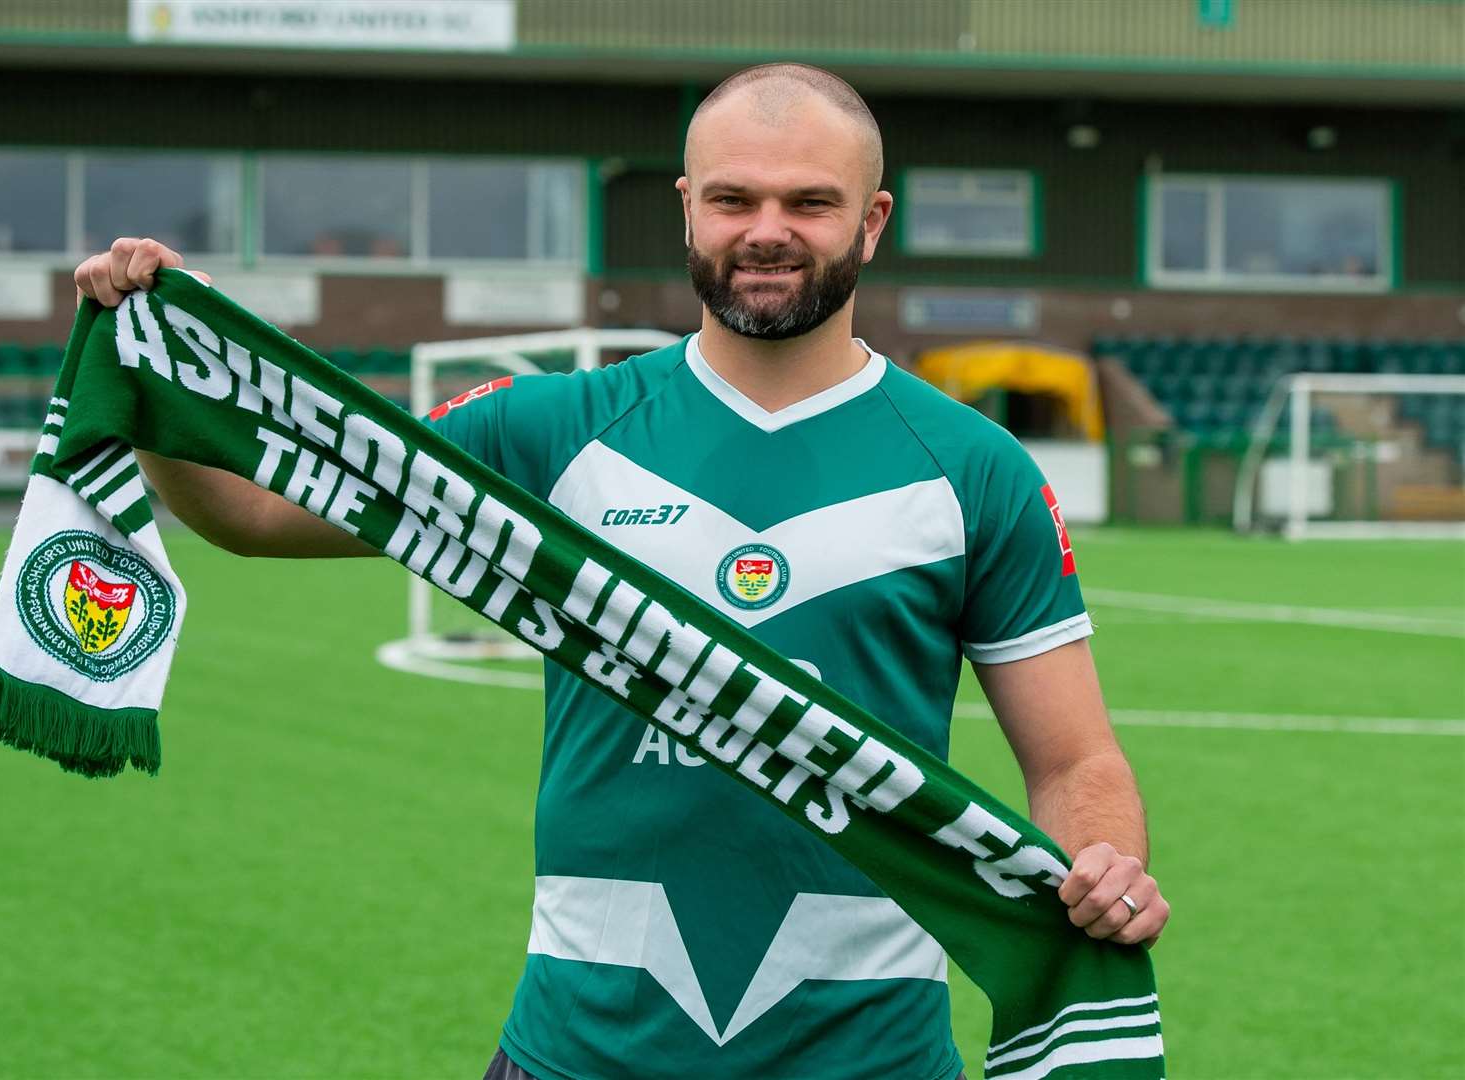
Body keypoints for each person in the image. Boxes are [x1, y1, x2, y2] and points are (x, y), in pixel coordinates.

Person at [75, 63, 1169, 1080]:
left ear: (871, 222)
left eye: (809, 203)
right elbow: (258, 514)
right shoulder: (553, 430)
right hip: (581, 1047)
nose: (768, 233)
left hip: (869, 1053)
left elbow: (1074, 759)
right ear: (685, 206)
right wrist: (156, 375)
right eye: (734, 200)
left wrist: (1106, 857)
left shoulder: (976, 470)